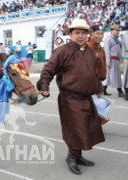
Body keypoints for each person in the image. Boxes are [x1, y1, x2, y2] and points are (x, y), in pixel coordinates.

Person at [37, 19, 105, 175]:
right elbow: (48, 70)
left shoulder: (88, 51)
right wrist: (44, 86)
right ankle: (71, 157)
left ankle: (79, 155)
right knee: (75, 129)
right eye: (77, 33)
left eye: (83, 33)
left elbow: (93, 73)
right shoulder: (62, 51)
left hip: (86, 98)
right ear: (71, 34)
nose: (81, 36)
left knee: (86, 128)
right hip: (70, 99)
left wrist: (98, 88)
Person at [87, 24, 108, 125]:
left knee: (99, 107)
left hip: (98, 82)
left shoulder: (100, 50)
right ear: (91, 34)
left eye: (102, 34)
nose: (100, 36)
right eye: (97, 33)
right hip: (87, 84)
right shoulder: (85, 49)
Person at [103, 24, 125, 97]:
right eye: (116, 30)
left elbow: (122, 46)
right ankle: (120, 91)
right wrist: (108, 61)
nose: (118, 32)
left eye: (118, 30)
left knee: (109, 76)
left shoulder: (116, 39)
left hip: (116, 60)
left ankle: (103, 90)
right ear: (112, 30)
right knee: (116, 76)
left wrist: (122, 39)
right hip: (111, 60)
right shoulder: (108, 39)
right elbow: (107, 51)